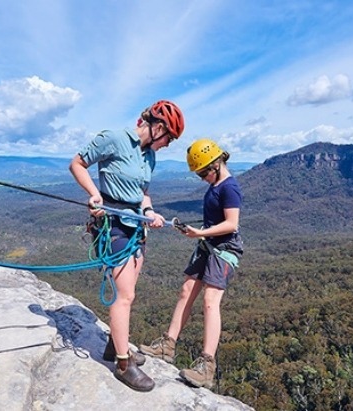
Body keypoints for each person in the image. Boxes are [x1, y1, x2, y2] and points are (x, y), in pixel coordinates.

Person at [69, 100, 184, 392]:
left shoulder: (149, 156)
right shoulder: (115, 139)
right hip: (112, 224)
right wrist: (95, 195)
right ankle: (122, 363)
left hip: (136, 227)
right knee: (125, 294)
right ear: (158, 128)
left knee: (130, 290)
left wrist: (149, 212)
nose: (168, 145)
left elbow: (143, 193)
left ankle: (113, 345)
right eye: (169, 138)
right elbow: (78, 163)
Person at [139, 138, 244, 389]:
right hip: (207, 245)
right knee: (186, 290)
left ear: (217, 163)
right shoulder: (215, 185)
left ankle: (207, 366)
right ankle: (167, 344)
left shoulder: (230, 188)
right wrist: (196, 233)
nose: (202, 177)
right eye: (199, 174)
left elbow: (232, 224)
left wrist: (199, 233)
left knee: (210, 302)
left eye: (204, 172)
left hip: (224, 249)